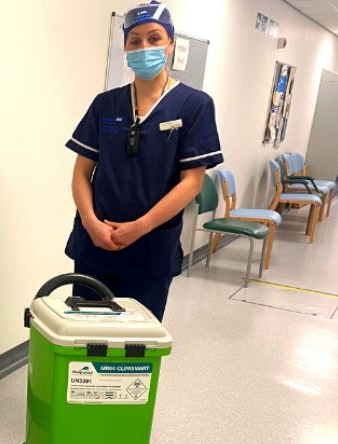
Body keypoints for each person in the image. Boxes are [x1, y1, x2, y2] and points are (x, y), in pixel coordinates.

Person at [65, 1, 222, 321]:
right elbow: (81, 172)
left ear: (170, 46)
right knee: (86, 342)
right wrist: (91, 223)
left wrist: (139, 228)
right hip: (95, 244)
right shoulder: (106, 104)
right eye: (134, 40)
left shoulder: (194, 105)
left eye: (154, 38)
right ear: (125, 47)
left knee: (134, 350)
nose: (144, 47)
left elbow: (191, 183)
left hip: (149, 248)